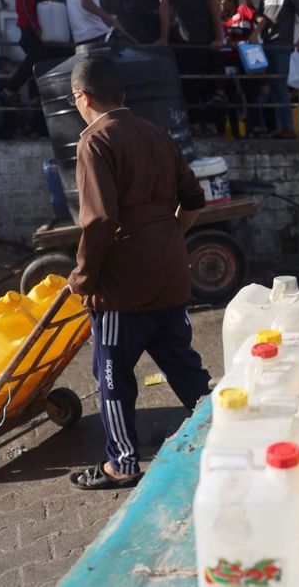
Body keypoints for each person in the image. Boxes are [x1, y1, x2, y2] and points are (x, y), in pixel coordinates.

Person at [65, 54, 211, 490]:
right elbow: (195, 200)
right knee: (184, 365)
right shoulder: (157, 134)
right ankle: (224, 433)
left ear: (83, 97)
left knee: (111, 376)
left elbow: (99, 221)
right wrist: (168, 234)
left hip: (121, 287)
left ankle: (122, 463)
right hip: (169, 273)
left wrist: (83, 278)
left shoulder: (94, 140)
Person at [158, 0, 224, 136]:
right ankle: (194, 124)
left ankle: (210, 124)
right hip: (180, 36)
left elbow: (214, 7)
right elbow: (163, 6)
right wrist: (164, 36)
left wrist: (219, 37)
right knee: (187, 83)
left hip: (204, 36)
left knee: (207, 83)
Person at [251, 0, 299, 138]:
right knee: (270, 89)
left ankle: (288, 128)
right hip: (266, 46)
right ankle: (278, 127)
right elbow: (258, 18)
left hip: (283, 47)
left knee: (281, 88)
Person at [2, 0, 53, 102]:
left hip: (32, 26)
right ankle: (11, 88)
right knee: (36, 55)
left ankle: (35, 95)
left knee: (40, 59)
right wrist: (34, 25)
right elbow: (25, 3)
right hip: (29, 26)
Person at [216, 0, 256, 138]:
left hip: (243, 62)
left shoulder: (242, 11)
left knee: (245, 97)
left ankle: (249, 131)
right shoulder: (222, 18)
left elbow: (259, 18)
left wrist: (249, 39)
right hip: (226, 63)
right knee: (227, 98)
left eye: (222, 1)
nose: (220, 4)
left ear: (231, 0)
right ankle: (230, 132)